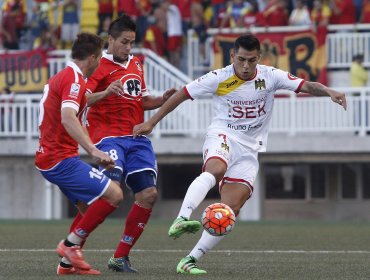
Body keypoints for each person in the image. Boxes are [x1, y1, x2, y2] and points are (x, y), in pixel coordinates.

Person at [133, 34, 347, 275]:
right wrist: (152, 122)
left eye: (252, 61)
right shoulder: (218, 77)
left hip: (249, 149)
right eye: (242, 60)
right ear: (232, 56)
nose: (246, 66)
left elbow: (306, 85)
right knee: (216, 170)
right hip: (222, 136)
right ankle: (182, 217)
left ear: (259, 58)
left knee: (230, 210)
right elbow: (182, 94)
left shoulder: (271, 76)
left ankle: (190, 260)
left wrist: (329, 90)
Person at [83, 15, 176, 273]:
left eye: (131, 42)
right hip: (108, 137)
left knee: (148, 195)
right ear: (110, 40)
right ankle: (73, 243)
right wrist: (105, 92)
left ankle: (120, 257)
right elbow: (83, 101)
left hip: (136, 138)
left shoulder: (136, 63)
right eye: (124, 42)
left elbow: (142, 101)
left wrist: (161, 99)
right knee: (112, 191)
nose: (128, 47)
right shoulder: (97, 65)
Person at [35, 32, 123, 276]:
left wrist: (104, 94)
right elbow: (67, 117)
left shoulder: (69, 77)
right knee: (114, 195)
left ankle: (67, 265)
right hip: (60, 159)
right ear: (93, 58)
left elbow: (82, 100)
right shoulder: (74, 80)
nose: (101, 62)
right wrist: (94, 150)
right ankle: (69, 246)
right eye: (101, 57)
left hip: (51, 158)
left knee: (88, 209)